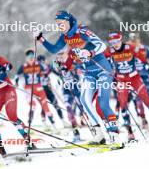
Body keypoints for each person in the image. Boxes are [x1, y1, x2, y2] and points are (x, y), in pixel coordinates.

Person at [33, 10, 119, 144]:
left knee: (102, 103)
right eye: (57, 24)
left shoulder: (82, 31)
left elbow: (101, 45)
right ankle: (99, 136)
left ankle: (114, 134)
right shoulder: (65, 36)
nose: (59, 26)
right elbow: (54, 50)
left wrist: (90, 52)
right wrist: (40, 38)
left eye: (61, 23)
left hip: (102, 70)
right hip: (88, 73)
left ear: (68, 21)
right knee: (85, 101)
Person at [105, 31, 149, 135]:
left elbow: (143, 61)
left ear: (121, 40)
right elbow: (99, 56)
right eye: (112, 42)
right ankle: (130, 132)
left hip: (135, 78)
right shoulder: (110, 50)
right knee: (123, 104)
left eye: (116, 41)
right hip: (121, 80)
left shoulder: (130, 47)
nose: (114, 44)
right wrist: (89, 54)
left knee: (147, 100)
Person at [15, 50, 55, 130]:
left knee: (45, 106)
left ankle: (54, 126)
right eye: (29, 58)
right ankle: (29, 126)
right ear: (26, 58)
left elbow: (47, 70)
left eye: (32, 57)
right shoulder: (24, 66)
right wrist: (16, 82)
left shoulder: (38, 64)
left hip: (39, 87)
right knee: (32, 106)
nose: (31, 59)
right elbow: (17, 75)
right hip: (29, 88)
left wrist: (47, 77)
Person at [128, 33, 149, 129]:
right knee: (138, 100)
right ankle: (143, 120)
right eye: (132, 41)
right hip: (134, 78)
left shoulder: (145, 49)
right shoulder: (128, 50)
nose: (134, 43)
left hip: (147, 77)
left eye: (135, 41)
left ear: (139, 40)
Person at [37, 54, 70, 128]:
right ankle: (44, 123)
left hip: (47, 88)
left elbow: (56, 71)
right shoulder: (37, 67)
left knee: (55, 103)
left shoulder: (48, 66)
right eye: (44, 60)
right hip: (40, 90)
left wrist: (61, 75)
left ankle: (62, 121)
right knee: (44, 106)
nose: (46, 61)